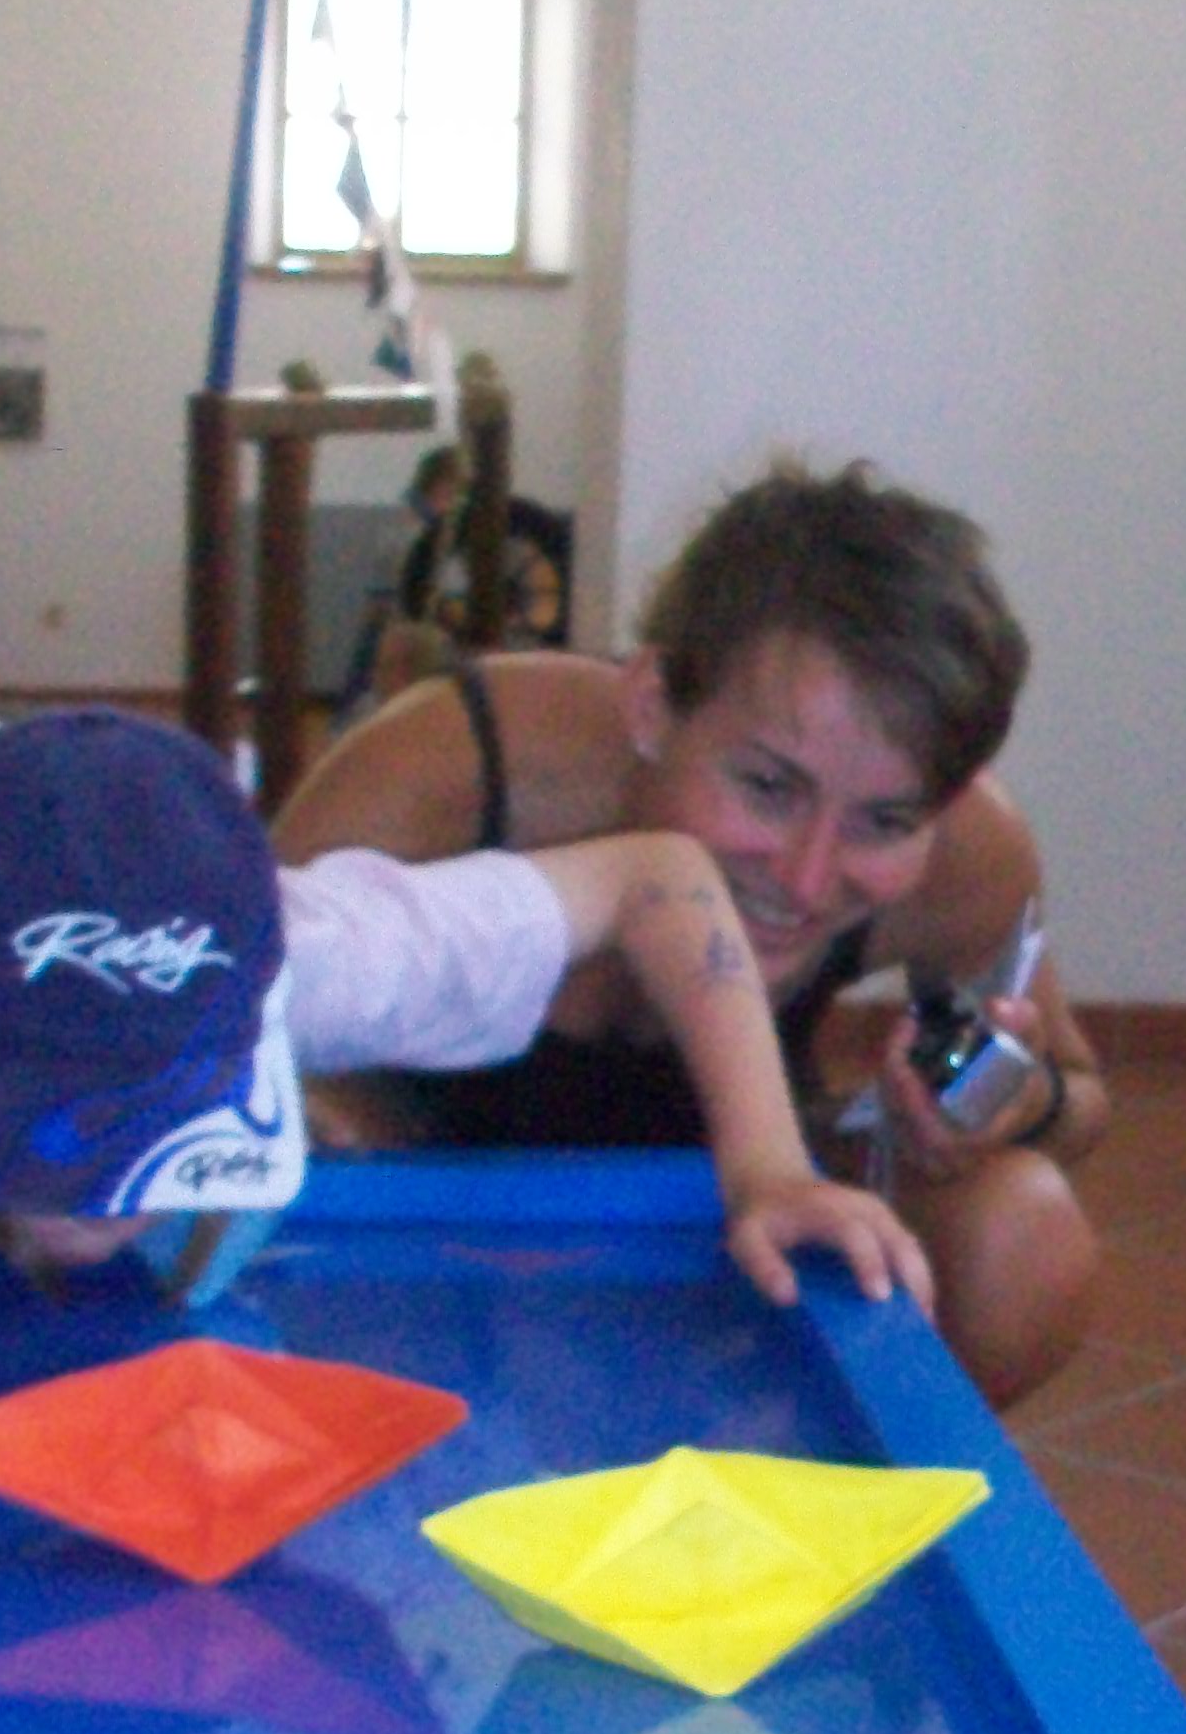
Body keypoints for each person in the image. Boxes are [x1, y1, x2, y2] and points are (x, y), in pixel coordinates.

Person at [0, 703, 927, 1322]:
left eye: (145, 1133)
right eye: (43, 1135)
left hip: (15, 806)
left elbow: (658, 878)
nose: (93, 1216)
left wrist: (769, 1165)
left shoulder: (307, 955)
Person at [272, 458, 1110, 1410]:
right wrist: (327, 1121)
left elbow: (1081, 1101)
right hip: (418, 1196)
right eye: (767, 787)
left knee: (1023, 1233)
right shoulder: (445, 772)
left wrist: (1013, 1100)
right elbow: (229, 1025)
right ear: (651, 705)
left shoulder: (969, 856)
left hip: (735, 1184)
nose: (805, 877)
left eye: (884, 823)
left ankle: (828, 1478)